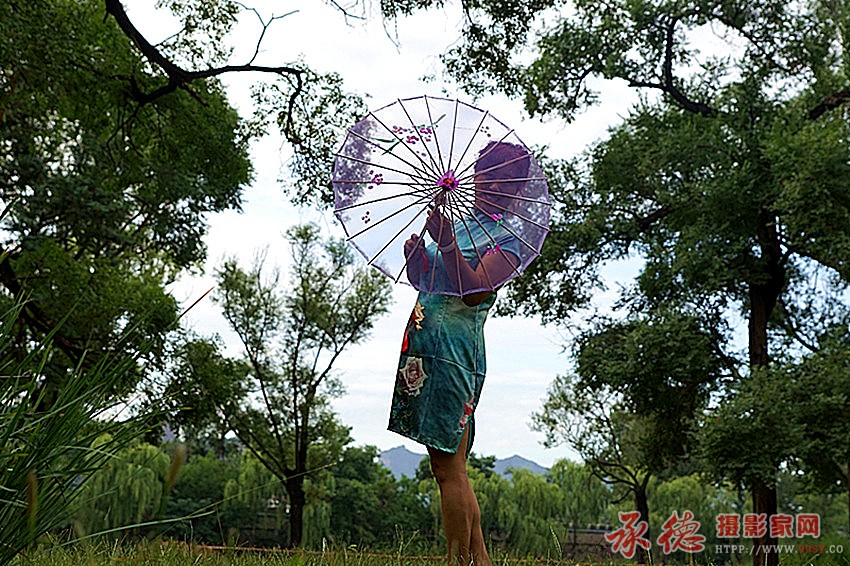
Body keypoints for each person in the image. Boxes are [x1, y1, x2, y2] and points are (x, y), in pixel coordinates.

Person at [388, 141, 530, 565]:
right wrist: (418, 258)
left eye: (504, 180)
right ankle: (479, 559)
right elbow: (430, 284)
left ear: (516, 189)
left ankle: (456, 560)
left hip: (453, 353)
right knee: (450, 466)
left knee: (448, 467)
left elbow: (474, 293)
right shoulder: (459, 224)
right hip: (423, 347)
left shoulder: (507, 238)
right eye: (487, 174)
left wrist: (447, 244)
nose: (492, 185)